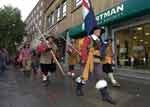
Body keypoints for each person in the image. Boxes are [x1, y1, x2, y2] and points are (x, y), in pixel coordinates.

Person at [75, 26, 116, 104]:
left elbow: (101, 51)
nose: (99, 32)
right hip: (88, 60)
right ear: (93, 31)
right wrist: (84, 59)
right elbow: (83, 48)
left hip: (97, 60)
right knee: (84, 76)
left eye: (100, 31)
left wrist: (104, 49)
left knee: (100, 76)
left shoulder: (100, 40)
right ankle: (78, 89)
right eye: (97, 30)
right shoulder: (88, 38)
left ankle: (105, 95)